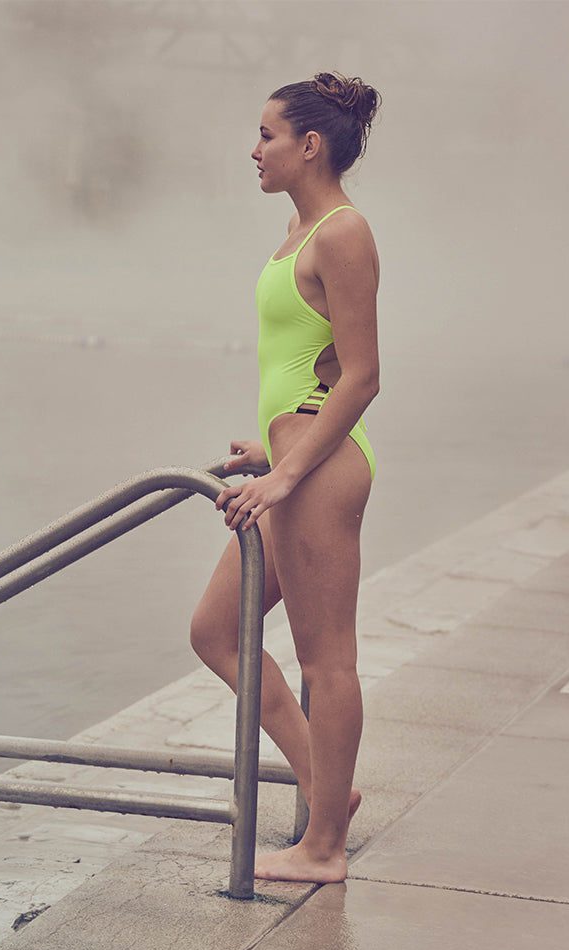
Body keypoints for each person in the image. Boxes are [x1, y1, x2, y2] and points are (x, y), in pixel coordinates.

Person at [191, 73, 382, 884]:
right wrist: (269, 455)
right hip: (294, 462)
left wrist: (286, 474)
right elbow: (311, 364)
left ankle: (324, 848)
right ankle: (328, 793)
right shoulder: (301, 230)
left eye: (267, 134)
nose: (255, 149)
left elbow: (363, 375)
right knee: (214, 631)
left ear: (310, 145)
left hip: (320, 472)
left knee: (325, 659)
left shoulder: (343, 232)